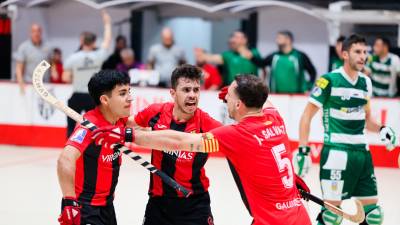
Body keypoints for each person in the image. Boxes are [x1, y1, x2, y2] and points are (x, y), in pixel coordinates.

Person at [93, 75, 312, 225]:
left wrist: (129, 136)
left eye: (230, 96)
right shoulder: (275, 117)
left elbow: (179, 141)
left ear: (239, 105)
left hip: (271, 220)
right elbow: (265, 99)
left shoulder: (236, 134)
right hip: (299, 216)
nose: (225, 99)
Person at [295, 34, 397, 225]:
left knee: (374, 216)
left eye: (365, 52)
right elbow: (306, 116)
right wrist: (303, 150)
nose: (363, 56)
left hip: (362, 155)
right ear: (344, 54)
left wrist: (382, 128)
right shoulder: (328, 81)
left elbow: (367, 119)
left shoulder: (366, 82)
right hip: (336, 153)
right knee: (332, 215)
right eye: (357, 52)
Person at [129, 64, 221, 225]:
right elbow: (126, 125)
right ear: (173, 93)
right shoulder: (156, 112)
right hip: (158, 204)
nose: (192, 95)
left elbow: (236, 138)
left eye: (196, 89)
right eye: (186, 90)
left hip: (195, 204)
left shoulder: (206, 123)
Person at [57, 70, 132, 225]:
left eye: (129, 92)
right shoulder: (89, 126)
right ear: (105, 99)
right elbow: (65, 159)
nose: (130, 98)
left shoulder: (120, 120)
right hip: (84, 208)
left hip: (107, 207)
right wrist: (69, 202)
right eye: (123, 93)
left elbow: (146, 129)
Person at [62, 10, 112, 137]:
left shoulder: (72, 58)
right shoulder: (98, 55)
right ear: (94, 42)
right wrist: (107, 23)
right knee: (94, 126)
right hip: (92, 96)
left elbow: (65, 77)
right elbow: (107, 41)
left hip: (77, 96)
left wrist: (76, 75)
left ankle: (70, 149)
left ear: (81, 41)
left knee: (71, 127)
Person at [246, 30, 316, 94]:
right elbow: (261, 63)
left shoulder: (300, 56)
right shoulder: (274, 56)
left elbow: (312, 71)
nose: (276, 40)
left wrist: (308, 87)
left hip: (297, 95)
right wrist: (252, 57)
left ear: (288, 40)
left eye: (279, 38)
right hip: (276, 95)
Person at [194, 31, 261, 86]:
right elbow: (213, 58)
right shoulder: (228, 55)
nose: (232, 40)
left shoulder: (254, 52)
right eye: (232, 37)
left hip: (252, 90)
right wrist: (202, 55)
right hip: (233, 91)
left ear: (244, 40)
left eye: (236, 37)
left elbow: (262, 65)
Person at [14, 23, 50, 94]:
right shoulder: (24, 47)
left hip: (45, 85)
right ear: (30, 33)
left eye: (38, 31)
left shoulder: (48, 47)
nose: (36, 33)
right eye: (34, 31)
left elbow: (52, 64)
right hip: (29, 84)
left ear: (41, 32)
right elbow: (19, 68)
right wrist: (21, 84)